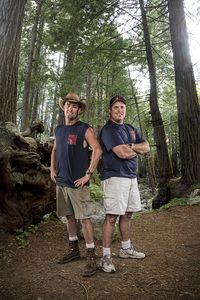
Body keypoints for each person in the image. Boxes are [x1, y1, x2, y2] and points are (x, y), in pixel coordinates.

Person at [50, 91, 102, 277]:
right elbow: (55, 149)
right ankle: (73, 250)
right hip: (61, 181)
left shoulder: (84, 129)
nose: (70, 108)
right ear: (63, 107)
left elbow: (97, 150)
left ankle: (91, 256)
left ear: (78, 110)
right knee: (69, 217)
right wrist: (52, 169)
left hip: (78, 183)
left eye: (74, 106)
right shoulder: (58, 130)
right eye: (67, 105)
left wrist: (88, 174)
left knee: (85, 219)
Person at [99, 95, 150, 273]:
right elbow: (122, 153)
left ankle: (125, 249)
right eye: (116, 108)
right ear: (110, 111)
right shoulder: (108, 130)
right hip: (114, 177)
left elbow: (147, 146)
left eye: (122, 107)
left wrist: (131, 146)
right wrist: (134, 148)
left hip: (131, 177)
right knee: (112, 216)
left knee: (128, 214)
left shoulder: (130, 128)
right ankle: (105, 257)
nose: (120, 110)